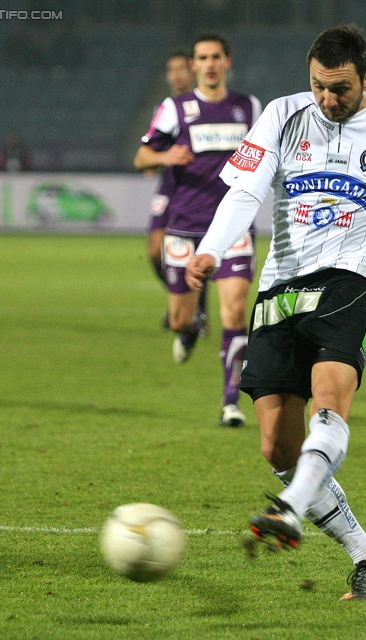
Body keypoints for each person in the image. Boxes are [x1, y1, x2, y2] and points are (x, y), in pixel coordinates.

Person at [186, 24, 366, 600]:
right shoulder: (283, 115)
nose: (327, 100)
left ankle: (288, 510)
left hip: (350, 281)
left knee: (330, 405)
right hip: (280, 287)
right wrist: (212, 247)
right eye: (318, 86)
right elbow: (244, 192)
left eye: (339, 89)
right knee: (276, 448)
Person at [135, 33, 262, 427]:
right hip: (185, 227)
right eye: (202, 58)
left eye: (216, 57)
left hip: (232, 227)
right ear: (193, 65)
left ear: (228, 61)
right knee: (178, 318)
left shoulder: (248, 107)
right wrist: (165, 154)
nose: (209, 64)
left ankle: (230, 402)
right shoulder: (175, 109)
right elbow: (141, 157)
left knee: (236, 308)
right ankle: (188, 332)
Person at [141, 52, 196, 328]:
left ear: (193, 70)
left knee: (197, 251)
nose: (176, 75)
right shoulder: (166, 107)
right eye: (170, 69)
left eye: (181, 69)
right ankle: (184, 300)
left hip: (199, 188)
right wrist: (159, 158)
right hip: (171, 185)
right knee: (154, 250)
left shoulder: (204, 106)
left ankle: (195, 311)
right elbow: (152, 149)